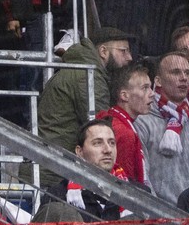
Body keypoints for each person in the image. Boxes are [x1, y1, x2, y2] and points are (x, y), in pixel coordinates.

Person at [39, 28, 134, 160]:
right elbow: (101, 127)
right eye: (123, 51)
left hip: (54, 162)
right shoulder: (89, 76)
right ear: (103, 51)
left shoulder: (86, 71)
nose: (129, 57)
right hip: (55, 169)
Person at [135, 50, 189, 202]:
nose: (183, 78)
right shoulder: (141, 121)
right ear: (158, 81)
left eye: (187, 73)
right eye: (176, 72)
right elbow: (141, 178)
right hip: (157, 217)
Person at [96, 60, 155, 183]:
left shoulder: (111, 120)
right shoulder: (123, 132)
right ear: (124, 95)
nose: (152, 94)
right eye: (144, 88)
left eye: (150, 87)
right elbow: (124, 185)